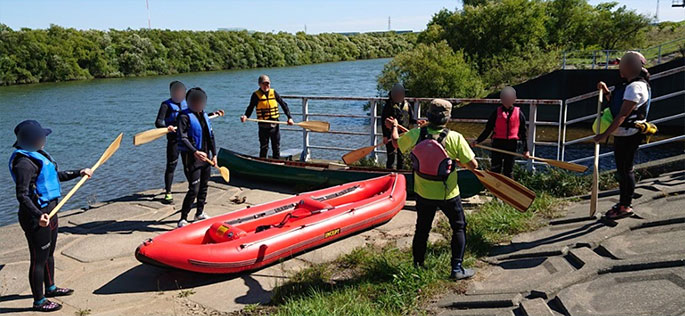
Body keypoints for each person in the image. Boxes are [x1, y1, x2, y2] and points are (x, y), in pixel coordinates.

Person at [389, 99, 479, 280]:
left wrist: (395, 127)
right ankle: (457, 268)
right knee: (459, 227)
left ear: (429, 115)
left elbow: (396, 143)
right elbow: (473, 165)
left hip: (423, 193)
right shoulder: (455, 138)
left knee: (422, 229)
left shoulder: (416, 134)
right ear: (448, 117)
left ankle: (417, 266)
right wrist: (456, 161)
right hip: (449, 193)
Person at [9, 120, 93, 312]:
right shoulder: (24, 164)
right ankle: (39, 301)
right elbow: (22, 195)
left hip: (51, 212)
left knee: (49, 255)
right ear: (31, 140)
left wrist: (79, 172)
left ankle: (51, 288)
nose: (44, 139)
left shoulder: (37, 155)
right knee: (38, 259)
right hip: (37, 217)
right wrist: (38, 215)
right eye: (41, 137)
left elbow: (56, 176)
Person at [594, 51, 651, 220]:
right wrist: (605, 91)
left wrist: (604, 134)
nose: (620, 68)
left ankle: (625, 205)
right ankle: (623, 203)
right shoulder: (629, 85)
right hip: (623, 134)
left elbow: (622, 115)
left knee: (626, 170)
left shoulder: (635, 87)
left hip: (629, 134)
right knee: (623, 169)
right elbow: (616, 105)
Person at [176, 87, 218, 228]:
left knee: (204, 186)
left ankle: (199, 213)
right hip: (192, 158)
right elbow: (182, 137)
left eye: (201, 102)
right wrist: (195, 151)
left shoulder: (204, 115)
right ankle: (183, 219)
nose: (199, 105)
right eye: (196, 102)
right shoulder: (183, 116)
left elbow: (211, 136)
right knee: (193, 189)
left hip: (206, 157)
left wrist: (215, 154)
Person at [471, 86, 530, 178]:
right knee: (495, 169)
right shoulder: (496, 112)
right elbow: (488, 129)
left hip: (511, 145)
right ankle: (494, 189)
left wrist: (526, 150)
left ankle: (509, 190)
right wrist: (478, 141)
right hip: (498, 143)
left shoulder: (519, 114)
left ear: (514, 99)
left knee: (508, 170)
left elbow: (523, 133)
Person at [240, 75, 294, 159]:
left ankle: (276, 163)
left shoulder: (274, 93)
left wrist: (289, 117)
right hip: (263, 125)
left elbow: (283, 105)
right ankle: (262, 163)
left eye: (267, 84)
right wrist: (246, 116)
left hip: (274, 125)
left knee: (276, 146)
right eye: (264, 84)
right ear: (259, 84)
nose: (266, 86)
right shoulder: (256, 95)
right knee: (264, 147)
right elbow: (250, 107)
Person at [155, 81, 187, 203]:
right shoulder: (166, 105)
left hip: (186, 139)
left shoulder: (187, 103)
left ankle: (192, 187)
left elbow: (197, 116)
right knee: (171, 166)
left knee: (188, 165)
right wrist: (167, 128)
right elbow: (158, 122)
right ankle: (168, 192)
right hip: (173, 140)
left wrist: (213, 114)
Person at [380, 83, 419, 170]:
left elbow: (411, 118)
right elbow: (383, 121)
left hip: (404, 134)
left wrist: (417, 121)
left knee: (401, 157)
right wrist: (385, 136)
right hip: (391, 134)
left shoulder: (407, 105)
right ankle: (389, 173)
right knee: (391, 156)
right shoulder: (388, 106)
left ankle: (400, 172)